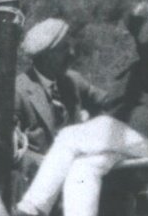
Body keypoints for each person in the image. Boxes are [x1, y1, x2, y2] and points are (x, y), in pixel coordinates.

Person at [14, 2, 148, 216]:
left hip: (143, 137)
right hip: (133, 140)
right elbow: (111, 101)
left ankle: (31, 207)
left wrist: (140, 20)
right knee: (86, 165)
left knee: (68, 137)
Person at [12, 17, 97, 189]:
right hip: (35, 188)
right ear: (46, 55)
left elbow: (111, 103)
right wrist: (44, 163)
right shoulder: (17, 91)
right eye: (64, 48)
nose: (72, 53)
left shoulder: (73, 81)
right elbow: (8, 148)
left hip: (77, 186)